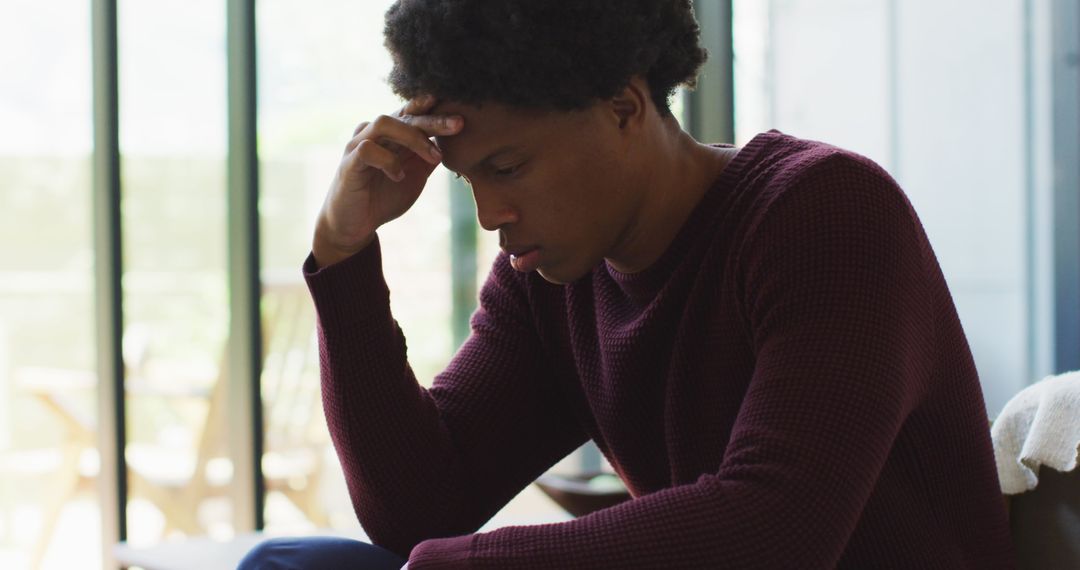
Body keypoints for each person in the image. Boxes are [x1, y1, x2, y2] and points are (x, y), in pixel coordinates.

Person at [240, 0, 1016, 568]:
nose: (490, 216)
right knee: (293, 566)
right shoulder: (550, 277)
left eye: (507, 168)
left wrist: (466, 566)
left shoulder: (826, 212)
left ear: (623, 106)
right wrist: (341, 255)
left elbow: (774, 530)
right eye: (470, 179)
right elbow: (416, 506)